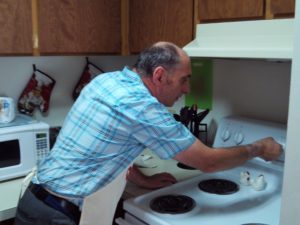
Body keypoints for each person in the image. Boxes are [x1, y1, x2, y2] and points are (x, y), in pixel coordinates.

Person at [14, 42, 282, 225]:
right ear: (159, 75)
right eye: (184, 79)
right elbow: (208, 162)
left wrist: (142, 180)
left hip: (35, 201)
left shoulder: (107, 81)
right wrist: (257, 148)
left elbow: (113, 147)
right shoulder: (142, 107)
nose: (187, 88)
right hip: (55, 216)